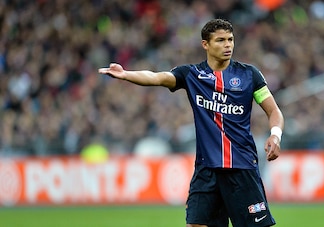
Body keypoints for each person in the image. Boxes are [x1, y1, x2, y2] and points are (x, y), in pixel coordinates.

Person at [98, 19, 284, 227]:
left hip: (241, 167)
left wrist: (275, 135)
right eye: (221, 40)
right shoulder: (191, 74)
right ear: (205, 44)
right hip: (206, 170)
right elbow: (157, 78)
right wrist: (125, 75)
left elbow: (274, 111)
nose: (228, 45)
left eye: (230, 40)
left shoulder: (249, 75)